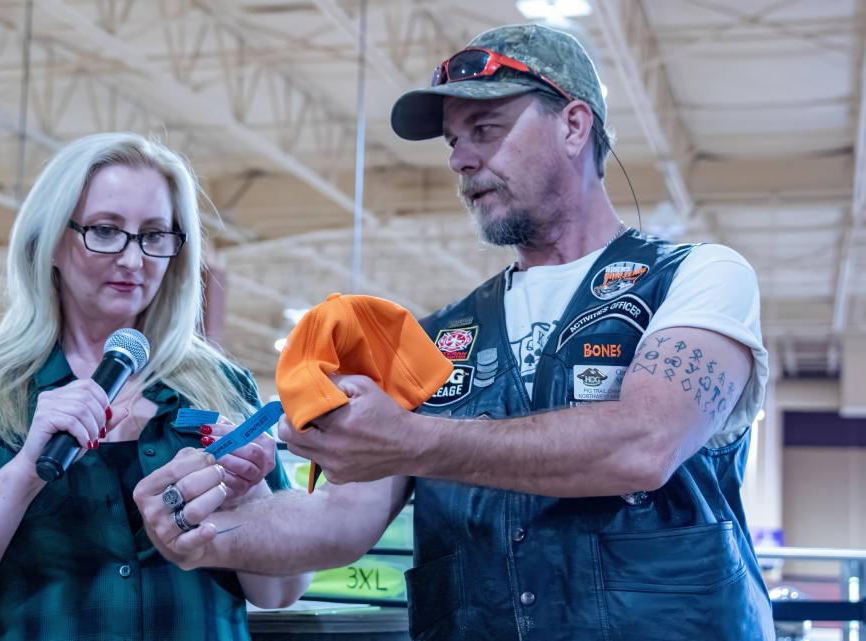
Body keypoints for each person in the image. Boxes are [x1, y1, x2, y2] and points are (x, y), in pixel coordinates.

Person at [135, 24, 775, 641]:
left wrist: (412, 439)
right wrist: (210, 528)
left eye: (486, 129)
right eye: (452, 141)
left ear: (574, 125)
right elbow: (340, 518)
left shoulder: (697, 277)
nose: (460, 160)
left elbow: (643, 445)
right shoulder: (432, 341)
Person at [0, 132, 310, 641]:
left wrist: (248, 494)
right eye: (105, 231)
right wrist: (23, 473)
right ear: (50, 241)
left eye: (154, 235)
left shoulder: (221, 387)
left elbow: (281, 592)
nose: (133, 260)